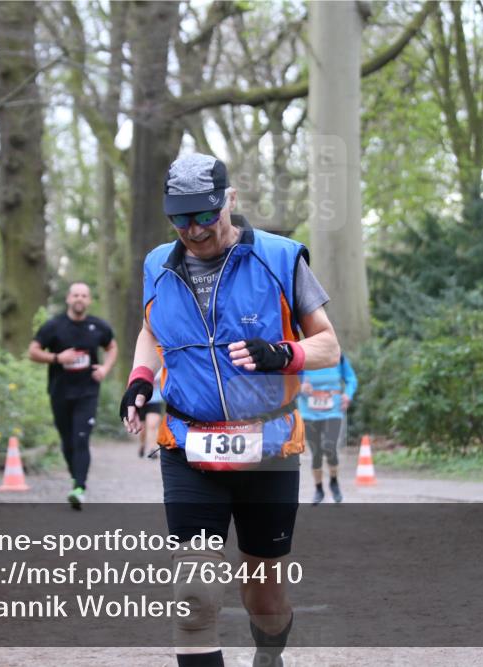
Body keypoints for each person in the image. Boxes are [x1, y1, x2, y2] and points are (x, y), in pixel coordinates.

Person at [120, 153, 340, 667]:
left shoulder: (282, 258)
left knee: (263, 595)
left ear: (230, 201)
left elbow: (329, 345)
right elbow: (151, 332)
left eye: (204, 215)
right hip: (189, 445)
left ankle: (269, 655)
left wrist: (284, 354)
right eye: (180, 218)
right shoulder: (157, 264)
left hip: (269, 448)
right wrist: (139, 380)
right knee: (194, 598)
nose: (193, 230)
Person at [28, 282, 117, 510]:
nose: (80, 299)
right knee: (67, 441)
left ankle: (79, 487)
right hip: (60, 392)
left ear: (89, 301)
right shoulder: (54, 326)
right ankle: (75, 478)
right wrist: (58, 358)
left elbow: (112, 347)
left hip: (87, 392)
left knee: (81, 438)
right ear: (68, 298)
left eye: (84, 295)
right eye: (76, 295)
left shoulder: (98, 327)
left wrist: (105, 369)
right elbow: (33, 352)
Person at [298, 354, 358, 505]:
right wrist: (300, 387)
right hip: (309, 412)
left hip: (333, 411)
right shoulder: (302, 357)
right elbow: (288, 382)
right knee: (316, 452)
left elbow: (351, 379)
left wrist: (348, 395)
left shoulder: (338, 358)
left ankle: (334, 482)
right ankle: (319, 489)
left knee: (329, 447)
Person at [138, 375, 165, 458]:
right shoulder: (141, 364)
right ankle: (142, 444)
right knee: (142, 429)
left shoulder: (163, 366)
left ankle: (152, 449)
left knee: (152, 426)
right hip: (141, 401)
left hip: (155, 400)